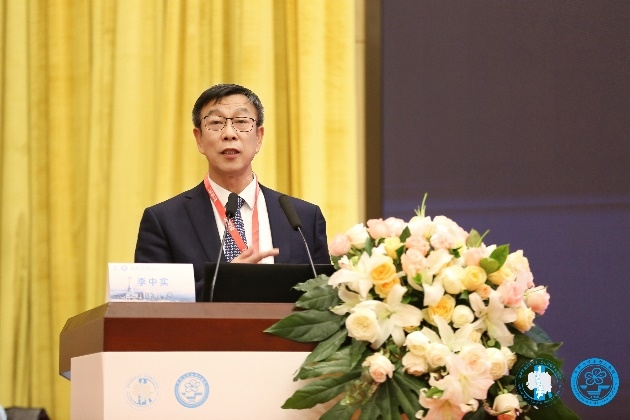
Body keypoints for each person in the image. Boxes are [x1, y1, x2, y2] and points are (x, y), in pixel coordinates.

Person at [134, 84, 330, 301]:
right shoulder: (164, 221)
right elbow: (153, 302)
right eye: (216, 123)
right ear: (199, 139)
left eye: (241, 122)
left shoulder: (303, 219)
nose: (229, 134)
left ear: (259, 137)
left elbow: (324, 300)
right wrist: (225, 283)